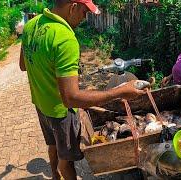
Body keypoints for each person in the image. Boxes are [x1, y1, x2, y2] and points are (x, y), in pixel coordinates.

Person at [19, 0, 146, 179]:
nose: (84, 18)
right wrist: (121, 92)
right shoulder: (64, 38)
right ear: (73, 7)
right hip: (60, 112)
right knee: (67, 162)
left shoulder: (31, 25)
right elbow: (71, 98)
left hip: (40, 104)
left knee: (53, 144)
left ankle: (54, 176)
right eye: (84, 12)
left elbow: (23, 65)